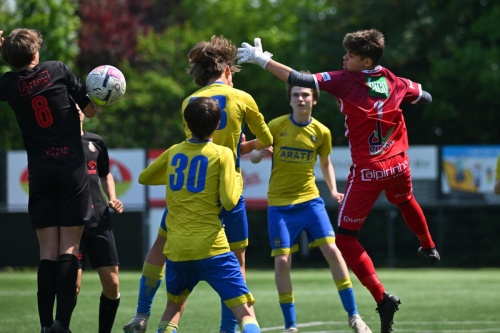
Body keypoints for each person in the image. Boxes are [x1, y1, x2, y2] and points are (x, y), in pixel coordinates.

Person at [237, 29, 440, 333]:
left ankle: (382, 298)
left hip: (369, 170)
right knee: (405, 200)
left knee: (344, 240)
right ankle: (428, 246)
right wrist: (406, 100)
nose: (344, 58)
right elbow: (424, 96)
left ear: (365, 59)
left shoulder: (346, 80)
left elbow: (300, 79)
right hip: (399, 164)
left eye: (351, 55)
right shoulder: (394, 80)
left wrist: (263, 60)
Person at [123, 35, 272, 333]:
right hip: (226, 189)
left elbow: (197, 142)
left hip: (189, 194)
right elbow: (267, 140)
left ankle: (141, 314)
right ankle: (229, 329)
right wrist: (243, 147)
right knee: (236, 261)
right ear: (227, 69)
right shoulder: (242, 98)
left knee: (161, 246)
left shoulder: (190, 102)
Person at [250, 79, 371, 333]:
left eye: (305, 95)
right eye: (296, 95)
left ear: (314, 99)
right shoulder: (276, 126)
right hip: (280, 206)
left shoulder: (322, 131)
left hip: (310, 201)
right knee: (282, 261)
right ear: (290, 99)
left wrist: (334, 190)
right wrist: (259, 154)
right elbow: (256, 151)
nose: (301, 99)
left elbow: (325, 163)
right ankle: (290, 325)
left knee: (333, 250)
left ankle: (354, 316)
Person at [0, 28, 98, 333]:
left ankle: (44, 326)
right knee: (70, 247)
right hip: (71, 169)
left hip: (40, 173)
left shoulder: (9, 83)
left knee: (47, 252)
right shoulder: (57, 70)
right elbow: (91, 110)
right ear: (35, 52)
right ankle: (63, 325)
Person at [138, 97, 261, 333]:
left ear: (187, 122)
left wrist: (176, 180)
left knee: (173, 308)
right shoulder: (223, 154)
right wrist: (236, 178)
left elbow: (144, 177)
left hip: (177, 250)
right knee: (244, 311)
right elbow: (228, 200)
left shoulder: (174, 152)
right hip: (212, 248)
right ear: (218, 125)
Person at [74, 109, 124, 333]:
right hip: (72, 223)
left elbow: (105, 173)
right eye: (71, 106)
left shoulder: (96, 141)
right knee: (72, 287)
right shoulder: (57, 145)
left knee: (113, 285)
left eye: (78, 107)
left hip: (100, 219)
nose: (76, 110)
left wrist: (113, 198)